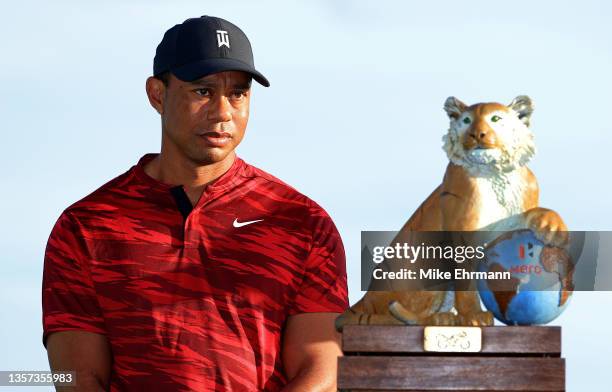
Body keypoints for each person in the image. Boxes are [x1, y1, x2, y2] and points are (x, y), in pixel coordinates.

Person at [42, 16, 348, 391]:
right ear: (158, 94)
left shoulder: (302, 222)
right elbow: (77, 378)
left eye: (238, 94)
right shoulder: (85, 226)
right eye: (202, 92)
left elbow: (321, 369)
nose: (223, 113)